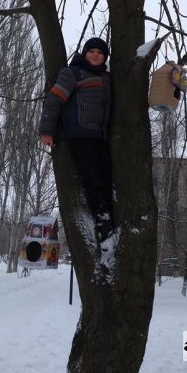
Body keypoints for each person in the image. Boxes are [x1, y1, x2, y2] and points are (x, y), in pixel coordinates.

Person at [39, 38, 113, 240]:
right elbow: (54, 100)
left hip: (100, 136)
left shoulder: (106, 78)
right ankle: (102, 220)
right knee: (93, 177)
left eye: (100, 52)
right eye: (91, 51)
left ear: (105, 57)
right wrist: (47, 130)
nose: (95, 55)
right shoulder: (73, 73)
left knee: (106, 176)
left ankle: (107, 215)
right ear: (85, 54)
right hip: (80, 133)